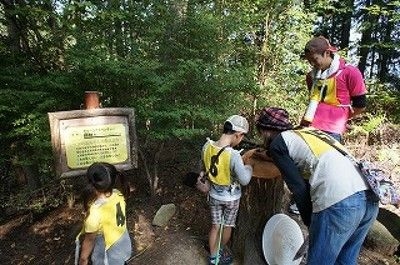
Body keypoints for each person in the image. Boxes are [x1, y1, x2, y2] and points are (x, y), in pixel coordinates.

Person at [255, 107, 379, 265]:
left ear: (265, 130)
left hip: (341, 201)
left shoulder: (278, 144)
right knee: (345, 261)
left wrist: (309, 221)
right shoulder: (309, 133)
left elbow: (298, 187)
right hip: (369, 197)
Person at [201, 115, 252, 265]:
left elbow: (205, 167)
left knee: (215, 226)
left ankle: (213, 257)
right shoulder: (234, 155)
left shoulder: (207, 146)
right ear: (237, 135)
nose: (240, 140)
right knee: (227, 226)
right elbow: (244, 179)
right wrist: (248, 167)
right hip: (231, 199)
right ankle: (220, 252)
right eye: (241, 137)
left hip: (214, 195)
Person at [301, 36, 367, 142]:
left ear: (327, 53)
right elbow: (313, 101)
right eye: (309, 61)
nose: (312, 64)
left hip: (333, 131)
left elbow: (360, 105)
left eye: (315, 60)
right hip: (309, 126)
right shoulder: (311, 76)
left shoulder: (350, 72)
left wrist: (344, 118)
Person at [76, 162, 132, 265]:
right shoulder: (118, 194)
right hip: (122, 248)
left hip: (107, 258)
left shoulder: (95, 212)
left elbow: (89, 241)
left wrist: (83, 260)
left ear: (90, 183)